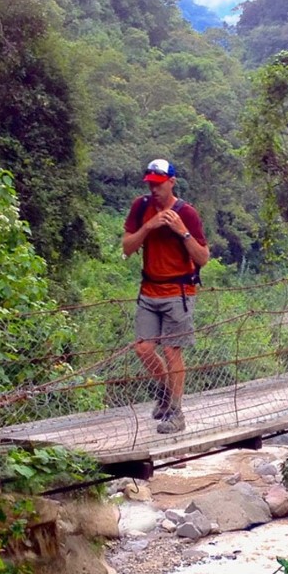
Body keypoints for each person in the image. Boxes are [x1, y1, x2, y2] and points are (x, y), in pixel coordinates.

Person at [122, 158, 210, 434]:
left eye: (159, 184)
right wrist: (148, 227)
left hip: (179, 292)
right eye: (150, 184)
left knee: (172, 352)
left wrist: (180, 231)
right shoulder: (141, 207)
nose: (154, 189)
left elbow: (203, 258)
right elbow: (126, 247)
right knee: (143, 348)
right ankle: (164, 391)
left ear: (172, 182)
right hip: (149, 290)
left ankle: (176, 412)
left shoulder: (188, 213)